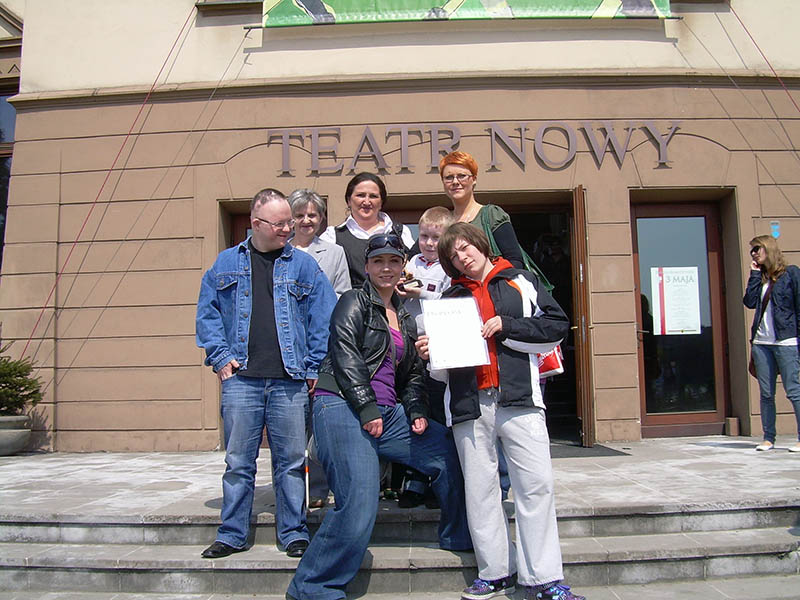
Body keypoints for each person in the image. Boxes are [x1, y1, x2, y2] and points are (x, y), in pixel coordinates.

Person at [287, 232, 472, 600]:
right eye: (378, 261)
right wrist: (367, 407)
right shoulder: (353, 302)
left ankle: (457, 537)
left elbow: (413, 376)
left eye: (394, 261)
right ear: (368, 266)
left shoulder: (404, 317)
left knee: (450, 454)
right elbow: (345, 355)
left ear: (403, 266)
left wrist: (416, 410)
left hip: (387, 413)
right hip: (342, 405)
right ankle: (313, 586)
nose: (386, 268)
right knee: (359, 501)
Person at [416, 223, 585, 600]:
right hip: (469, 403)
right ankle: (495, 573)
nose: (463, 257)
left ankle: (543, 578)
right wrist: (430, 353)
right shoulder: (449, 296)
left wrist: (506, 326)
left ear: (480, 244)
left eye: (465, 247)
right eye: (453, 255)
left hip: (520, 398)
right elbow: (441, 371)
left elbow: (556, 326)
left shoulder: (520, 280)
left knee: (536, 486)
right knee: (480, 491)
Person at [195, 188, 337, 559]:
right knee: (238, 462)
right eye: (280, 224)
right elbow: (207, 314)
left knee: (291, 462)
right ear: (256, 223)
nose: (288, 229)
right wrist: (220, 356)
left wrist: (313, 365)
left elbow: (324, 317)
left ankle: (293, 533)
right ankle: (232, 534)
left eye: (290, 221)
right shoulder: (225, 263)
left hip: (290, 380)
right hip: (241, 380)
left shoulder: (304, 266)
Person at [394, 206, 453, 508]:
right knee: (413, 412)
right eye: (424, 236)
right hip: (409, 346)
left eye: (436, 238)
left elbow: (451, 302)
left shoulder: (450, 267)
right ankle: (413, 480)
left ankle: (438, 482)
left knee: (437, 414)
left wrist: (421, 293)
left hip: (437, 349)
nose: (429, 243)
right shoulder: (411, 263)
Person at [743, 234, 800, 453]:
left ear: (768, 248)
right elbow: (749, 302)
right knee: (766, 393)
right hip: (761, 342)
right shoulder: (761, 277)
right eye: (752, 250)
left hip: (786, 341)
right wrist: (754, 274)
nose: (754, 253)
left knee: (793, 390)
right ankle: (768, 438)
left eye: (757, 249)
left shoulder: (791, 274)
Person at [320, 172, 415, 288]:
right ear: (349, 200)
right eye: (360, 195)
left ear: (381, 202)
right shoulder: (332, 236)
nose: (366, 201)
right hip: (352, 299)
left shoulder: (400, 232)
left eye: (373, 196)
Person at [438, 150, 524, 269]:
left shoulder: (491, 215)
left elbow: (515, 260)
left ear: (474, 179)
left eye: (462, 176)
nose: (455, 182)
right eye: (449, 177)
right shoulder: (442, 222)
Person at [288, 188, 351, 297]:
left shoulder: (335, 253)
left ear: (321, 218)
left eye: (311, 215)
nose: (306, 220)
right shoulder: (280, 251)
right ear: (291, 219)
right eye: (300, 216)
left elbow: (343, 294)